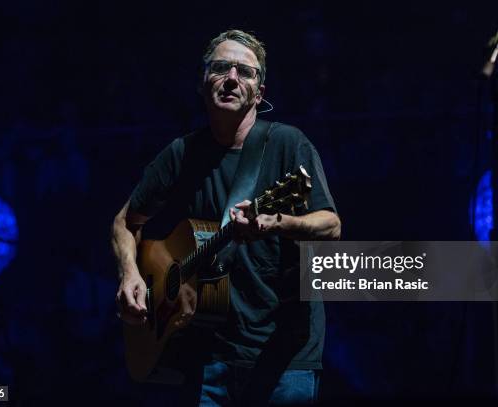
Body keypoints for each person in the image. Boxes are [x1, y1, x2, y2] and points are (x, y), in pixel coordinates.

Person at [112, 29, 340, 406]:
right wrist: (131, 273)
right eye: (221, 68)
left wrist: (276, 222)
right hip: (207, 355)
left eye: (245, 72)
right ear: (203, 83)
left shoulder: (288, 144)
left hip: (283, 355)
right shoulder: (181, 154)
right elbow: (125, 222)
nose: (232, 78)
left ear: (259, 93)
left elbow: (330, 225)